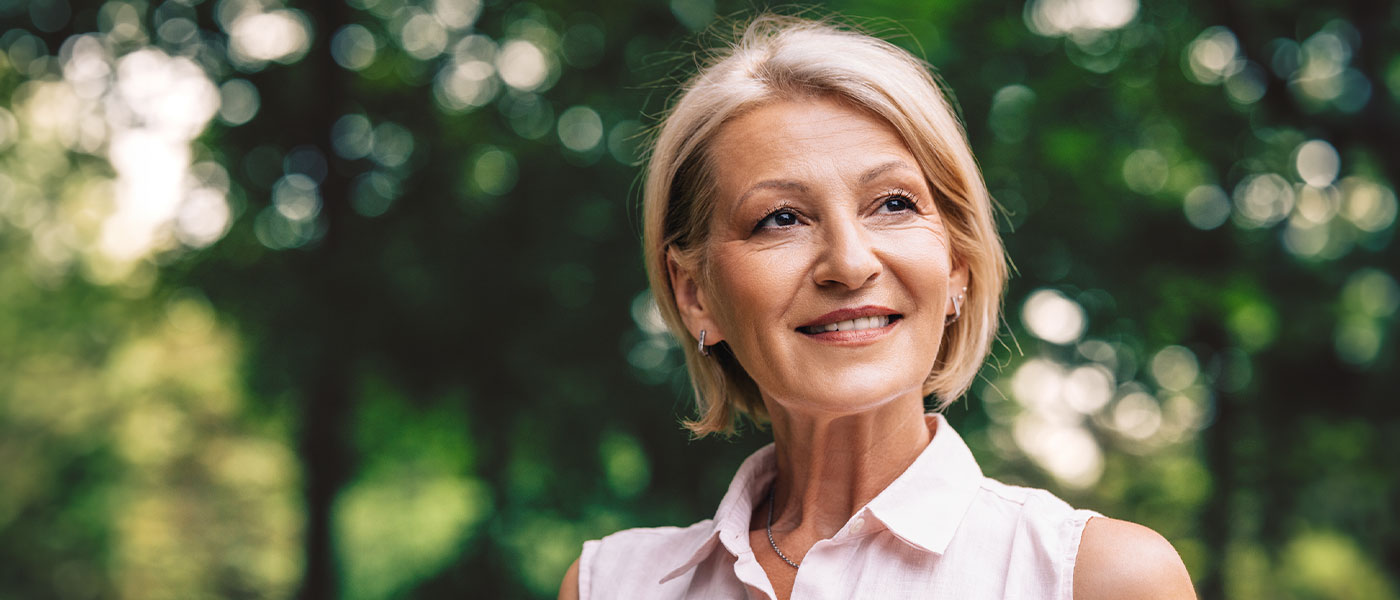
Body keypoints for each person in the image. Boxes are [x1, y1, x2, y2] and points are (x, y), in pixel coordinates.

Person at [561, 14, 1195, 600]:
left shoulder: (1096, 578)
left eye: (893, 203)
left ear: (956, 263)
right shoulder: (609, 585)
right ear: (694, 294)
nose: (850, 262)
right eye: (780, 218)